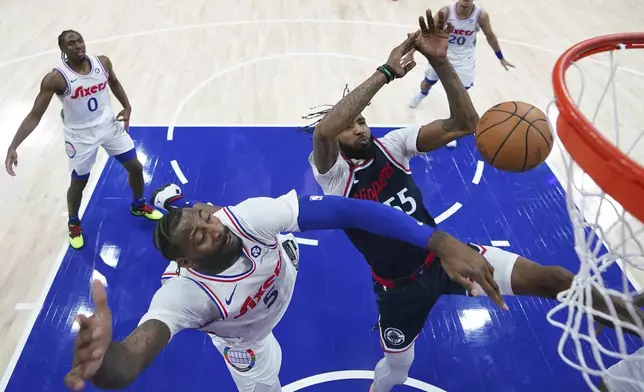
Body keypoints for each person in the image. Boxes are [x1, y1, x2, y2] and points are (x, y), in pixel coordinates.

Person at [305, 10, 642, 392]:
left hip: (448, 258)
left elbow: (464, 124)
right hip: (398, 291)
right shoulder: (331, 173)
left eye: (362, 121)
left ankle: (624, 316)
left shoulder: (394, 145)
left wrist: (441, 62)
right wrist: (387, 71)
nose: (359, 128)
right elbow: (326, 129)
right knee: (397, 370)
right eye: (351, 125)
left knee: (555, 279)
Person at [63, 176, 506, 392]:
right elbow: (131, 360)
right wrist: (105, 361)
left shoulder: (245, 217)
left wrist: (440, 240)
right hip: (248, 341)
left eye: (205, 216)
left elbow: (348, 211)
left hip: (277, 279)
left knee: (275, 234)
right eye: (199, 235)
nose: (213, 227)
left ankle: (275, 247)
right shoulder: (183, 294)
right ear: (185, 260)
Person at [4, 30, 162, 250]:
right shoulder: (56, 78)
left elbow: (114, 83)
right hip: (80, 136)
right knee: (79, 183)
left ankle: (138, 204)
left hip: (108, 126)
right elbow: (35, 114)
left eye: (79, 40)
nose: (78, 45)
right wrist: (13, 145)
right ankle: (73, 222)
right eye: (71, 43)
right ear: (63, 50)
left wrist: (127, 106)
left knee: (135, 167)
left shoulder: (102, 62)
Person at [408, 0, 514, 149]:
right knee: (427, 83)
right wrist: (411, 52)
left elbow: (490, 36)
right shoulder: (446, 12)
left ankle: (454, 127)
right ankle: (422, 93)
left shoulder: (480, 16)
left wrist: (500, 57)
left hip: (465, 59)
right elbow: (425, 34)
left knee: (458, 96)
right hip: (442, 53)